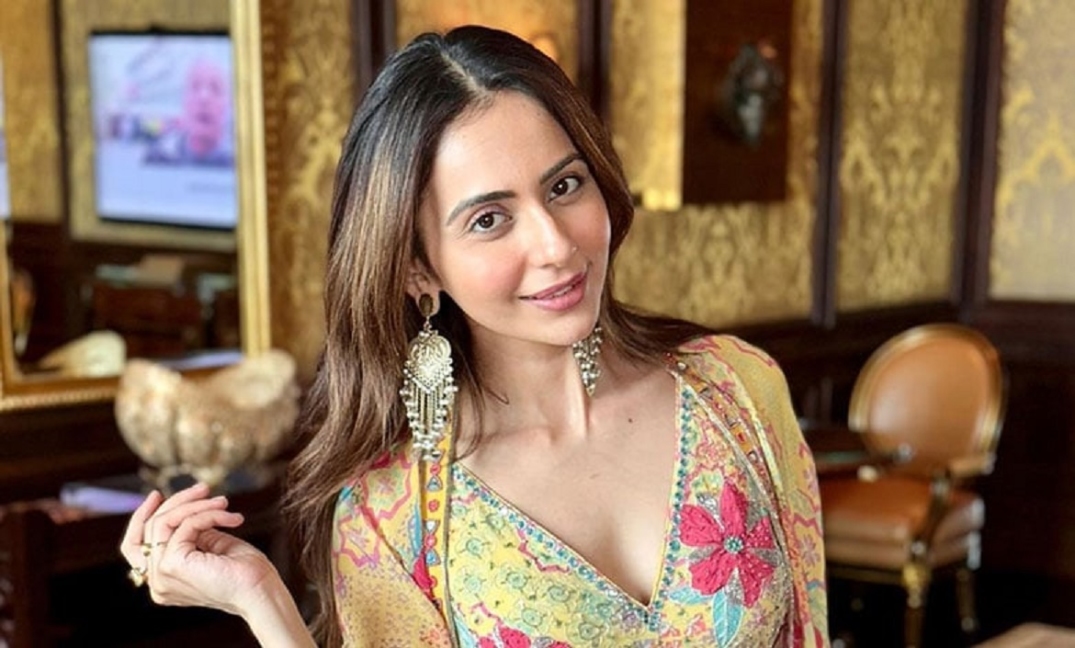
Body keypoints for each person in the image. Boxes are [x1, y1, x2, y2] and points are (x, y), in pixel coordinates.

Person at [120, 25, 828, 647]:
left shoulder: (734, 391)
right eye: (489, 219)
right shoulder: (397, 514)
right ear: (417, 268)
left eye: (565, 186)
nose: (555, 245)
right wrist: (264, 605)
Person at [144, 57, 233, 167]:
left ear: (228, 103)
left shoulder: (240, 161)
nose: (204, 98)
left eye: (215, 89)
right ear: (183, 101)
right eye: (195, 87)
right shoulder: (157, 159)